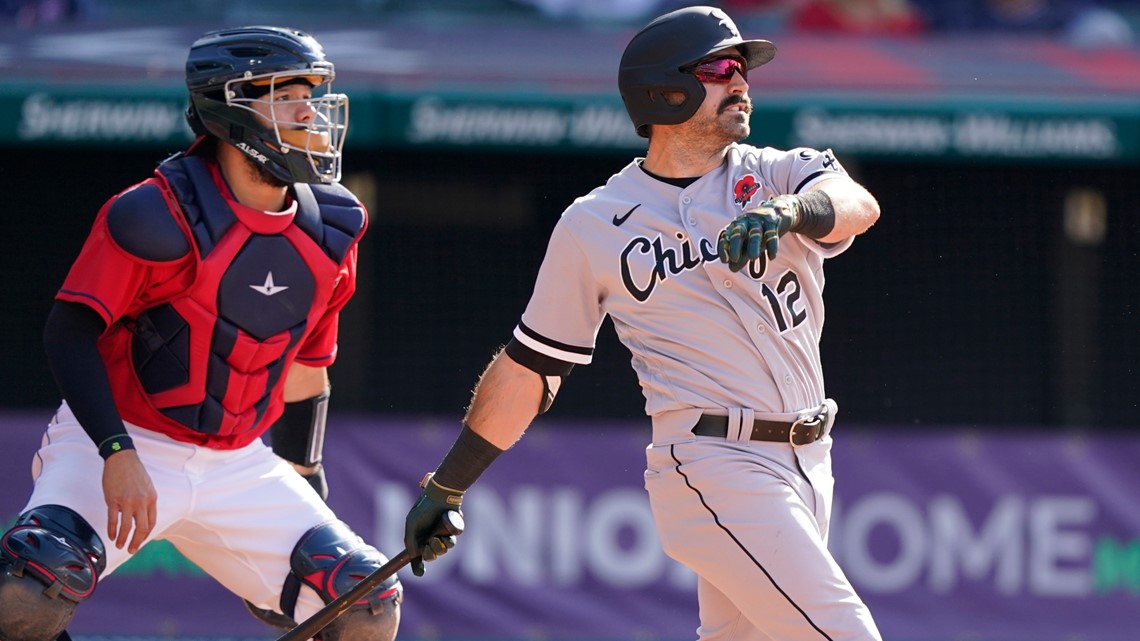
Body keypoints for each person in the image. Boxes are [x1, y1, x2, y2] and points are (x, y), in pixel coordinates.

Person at [404, 5, 883, 641]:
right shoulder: (594, 222)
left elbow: (858, 205)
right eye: (719, 67)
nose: (740, 82)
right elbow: (532, 366)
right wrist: (448, 485)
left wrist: (792, 211)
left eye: (743, 68)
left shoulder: (777, 173)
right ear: (664, 89)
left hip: (808, 458)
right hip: (713, 460)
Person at [0, 26, 401, 641]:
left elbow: (306, 369)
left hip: (238, 460)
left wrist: (305, 476)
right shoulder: (152, 213)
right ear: (228, 112)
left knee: (362, 602)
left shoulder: (336, 226)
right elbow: (69, 331)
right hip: (122, 437)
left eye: (312, 93)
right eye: (283, 94)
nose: (308, 111)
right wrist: (117, 453)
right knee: (27, 588)